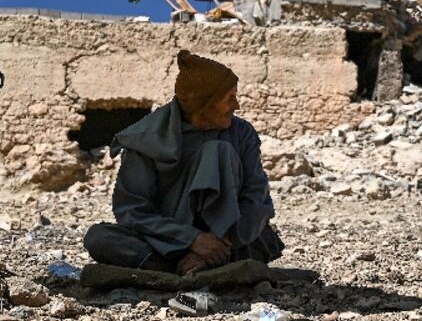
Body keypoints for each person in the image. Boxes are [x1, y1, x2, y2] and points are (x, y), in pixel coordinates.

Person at [83, 50, 283, 276]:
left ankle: (190, 267)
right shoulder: (148, 139)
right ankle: (188, 267)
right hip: (168, 242)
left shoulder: (241, 133)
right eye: (229, 98)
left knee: (219, 153)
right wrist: (192, 240)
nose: (236, 106)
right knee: (99, 238)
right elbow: (133, 212)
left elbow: (257, 199)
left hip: (229, 241)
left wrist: (219, 242)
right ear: (203, 104)